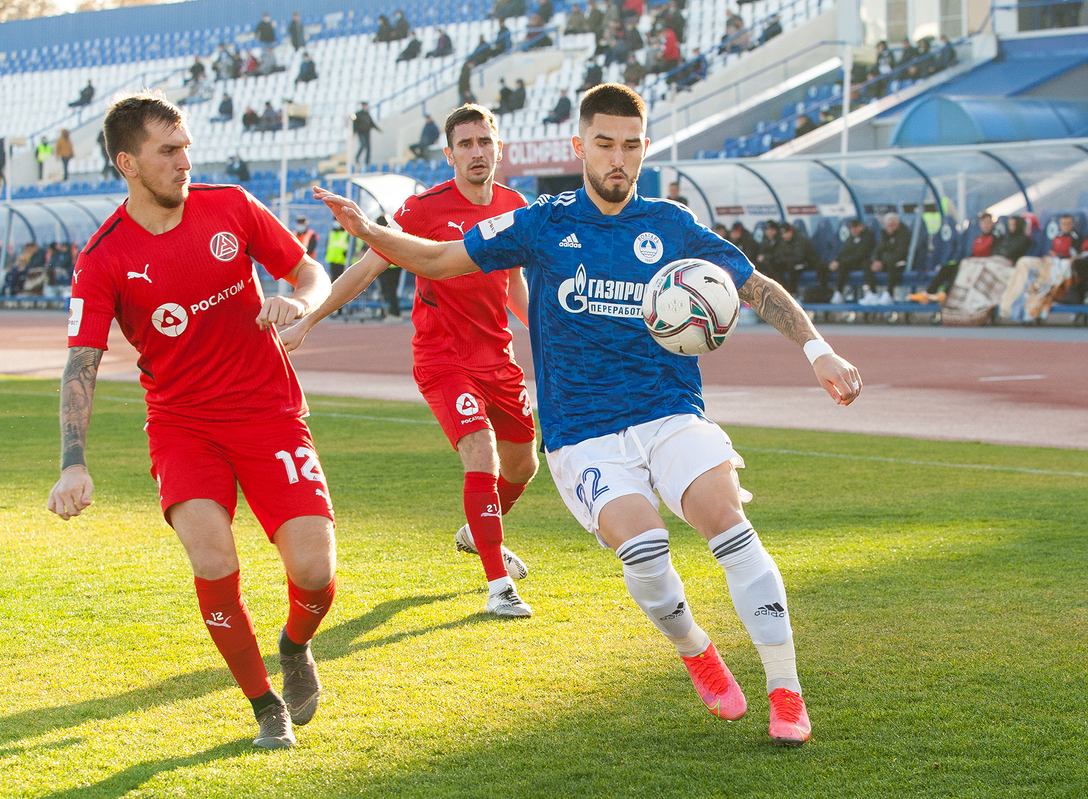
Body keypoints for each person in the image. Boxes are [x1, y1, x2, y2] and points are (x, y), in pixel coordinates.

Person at [312, 83, 862, 746]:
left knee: (728, 521)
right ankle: (696, 649)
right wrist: (370, 231)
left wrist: (818, 349)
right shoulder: (542, 222)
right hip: (583, 434)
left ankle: (786, 691)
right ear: (580, 147)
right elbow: (439, 257)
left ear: (645, 147)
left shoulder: (671, 224)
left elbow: (756, 286)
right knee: (647, 547)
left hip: (669, 411)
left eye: (631, 144)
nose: (618, 158)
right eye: (604, 143)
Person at [47, 90, 335, 750]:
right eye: (168, 151)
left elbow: (308, 269)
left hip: (270, 413)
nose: (184, 162)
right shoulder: (102, 257)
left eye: (187, 148)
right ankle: (265, 704)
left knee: (315, 570)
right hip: (182, 425)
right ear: (128, 162)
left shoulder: (231, 205)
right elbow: (81, 363)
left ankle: (294, 646)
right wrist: (72, 460)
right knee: (212, 553)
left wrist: (300, 301)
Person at [284, 103, 538, 616]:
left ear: (499, 148)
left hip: (498, 358)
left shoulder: (516, 207)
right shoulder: (422, 209)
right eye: (464, 144)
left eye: (483, 142)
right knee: (481, 452)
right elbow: (366, 269)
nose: (475, 152)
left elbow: (513, 284)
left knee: (523, 464)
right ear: (448, 154)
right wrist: (308, 320)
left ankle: (479, 530)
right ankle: (497, 586)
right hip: (443, 357)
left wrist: (550, 334)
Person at [861, 211, 911, 305]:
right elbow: (878, 250)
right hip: (884, 262)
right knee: (866, 264)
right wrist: (876, 261)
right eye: (888, 225)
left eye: (892, 225)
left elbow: (900, 253)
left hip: (899, 262)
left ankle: (889, 294)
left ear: (897, 225)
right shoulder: (884, 235)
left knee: (893, 265)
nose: (889, 228)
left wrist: (882, 262)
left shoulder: (903, 234)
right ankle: (873, 293)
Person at [827, 218, 874, 302]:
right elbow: (843, 251)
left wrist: (842, 261)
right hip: (851, 263)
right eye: (852, 228)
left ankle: (873, 293)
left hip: (863, 262)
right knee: (837, 266)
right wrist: (836, 261)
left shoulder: (867, 236)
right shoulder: (850, 238)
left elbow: (861, 255)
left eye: (855, 228)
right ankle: (837, 293)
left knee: (863, 265)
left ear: (861, 227)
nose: (853, 230)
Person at [769, 223, 821, 296]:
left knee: (792, 267)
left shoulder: (800, 240)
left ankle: (792, 293)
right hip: (790, 262)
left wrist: (785, 259)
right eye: (782, 234)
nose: (784, 235)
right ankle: (782, 290)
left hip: (806, 264)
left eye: (786, 233)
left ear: (791, 232)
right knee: (774, 266)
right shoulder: (782, 241)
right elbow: (779, 256)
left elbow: (799, 258)